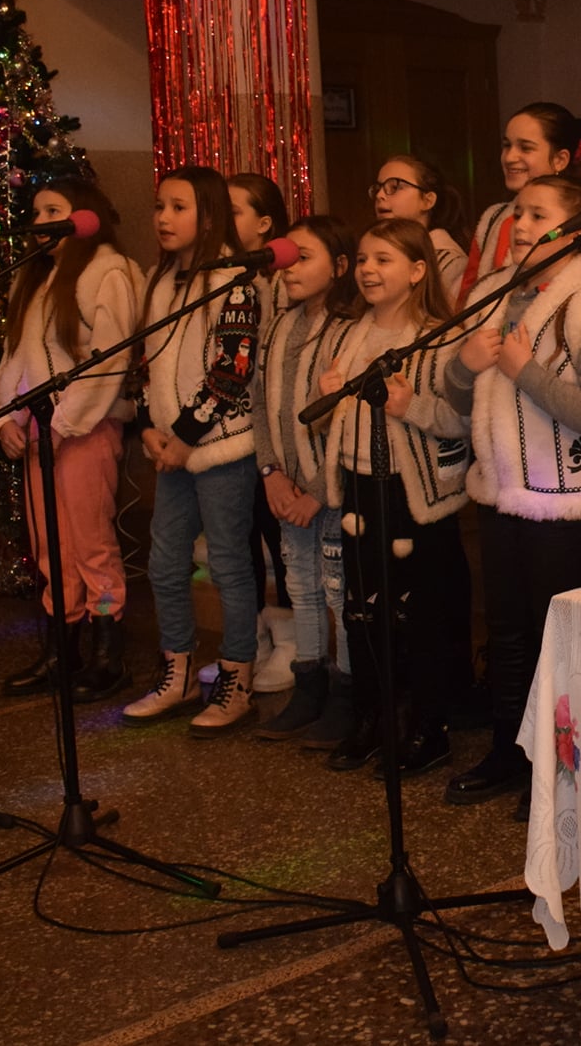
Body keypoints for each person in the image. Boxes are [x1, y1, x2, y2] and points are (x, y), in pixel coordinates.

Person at [443, 176, 581, 815]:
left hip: (564, 503)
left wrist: (523, 372)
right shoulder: (497, 295)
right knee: (506, 634)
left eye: (537, 214)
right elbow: (456, 397)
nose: (520, 225)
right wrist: (464, 366)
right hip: (500, 495)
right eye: (517, 213)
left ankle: (555, 768)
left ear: (574, 231)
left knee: (555, 640)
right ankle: (509, 751)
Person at [315, 218, 473, 776]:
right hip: (360, 488)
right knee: (362, 611)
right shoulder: (349, 334)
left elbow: (460, 421)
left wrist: (411, 408)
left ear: (417, 270)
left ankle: (428, 727)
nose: (368, 270)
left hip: (415, 496)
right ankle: (373, 718)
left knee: (420, 617)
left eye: (383, 259)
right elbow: (331, 419)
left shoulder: (439, 338)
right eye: (362, 259)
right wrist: (327, 402)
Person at [122, 166, 265, 736]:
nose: (163, 218)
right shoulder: (161, 281)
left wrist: (183, 437)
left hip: (220, 447)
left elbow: (231, 371)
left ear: (208, 217)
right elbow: (146, 364)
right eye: (159, 206)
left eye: (178, 207)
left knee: (228, 565)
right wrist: (148, 428)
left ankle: (237, 680)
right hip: (171, 448)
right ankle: (178, 672)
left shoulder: (235, 279)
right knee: (164, 563)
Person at [0, 179, 141, 703]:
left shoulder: (107, 272)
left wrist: (64, 424)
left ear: (85, 215)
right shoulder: (33, 279)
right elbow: (15, 358)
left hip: (84, 430)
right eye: (36, 212)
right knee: (51, 547)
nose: (41, 221)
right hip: (39, 433)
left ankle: (108, 652)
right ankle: (62, 649)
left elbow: (110, 359)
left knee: (92, 547)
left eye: (54, 210)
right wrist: (4, 420)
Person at [251, 215, 362, 746]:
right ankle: (309, 686)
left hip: (329, 492)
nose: (289, 268)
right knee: (300, 586)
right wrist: (271, 472)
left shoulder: (349, 331)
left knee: (340, 591)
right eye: (286, 258)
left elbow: (348, 422)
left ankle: (349, 695)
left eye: (304, 257)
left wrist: (317, 492)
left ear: (339, 266)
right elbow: (260, 402)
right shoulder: (277, 327)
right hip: (286, 487)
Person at [227, 172, 296, 692]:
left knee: (282, 539)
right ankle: (253, 641)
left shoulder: (282, 282)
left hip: (273, 435)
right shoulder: (223, 278)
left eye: (233, 212)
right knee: (238, 539)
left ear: (265, 224)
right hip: (231, 434)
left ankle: (294, 641)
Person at [458, 101, 581, 305]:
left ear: (560, 160)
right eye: (507, 145)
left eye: (526, 148)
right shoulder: (492, 219)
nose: (510, 157)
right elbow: (467, 297)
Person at [370, 154, 469, 299]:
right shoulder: (372, 254)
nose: (380, 195)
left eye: (394, 187)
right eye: (378, 188)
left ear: (428, 201)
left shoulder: (450, 263)